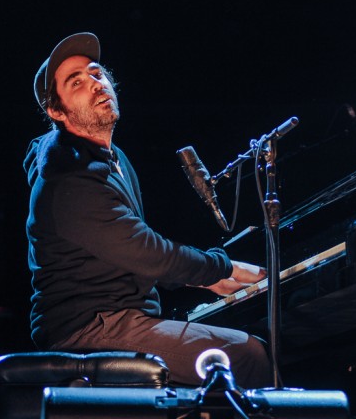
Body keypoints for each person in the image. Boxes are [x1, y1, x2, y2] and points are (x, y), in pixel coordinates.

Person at [24, 32, 272, 387]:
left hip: (123, 316)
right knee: (247, 355)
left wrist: (205, 278)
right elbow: (144, 250)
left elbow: (132, 256)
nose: (95, 83)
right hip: (90, 327)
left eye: (96, 73)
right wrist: (222, 267)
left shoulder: (113, 158)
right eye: (76, 82)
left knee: (238, 339)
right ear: (57, 111)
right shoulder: (68, 180)